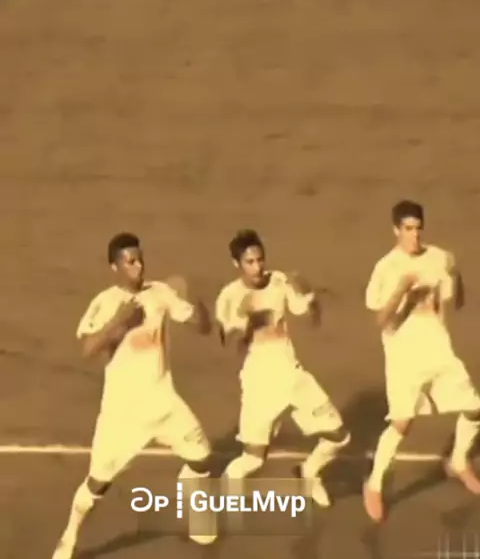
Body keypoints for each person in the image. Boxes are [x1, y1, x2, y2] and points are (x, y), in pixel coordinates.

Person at [52, 232, 216, 559]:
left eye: (139, 259)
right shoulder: (104, 303)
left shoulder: (160, 293)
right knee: (98, 483)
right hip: (122, 415)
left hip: (165, 403)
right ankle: (69, 537)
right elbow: (87, 349)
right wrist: (120, 323)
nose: (138, 266)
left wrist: (194, 301)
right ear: (114, 267)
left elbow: (203, 326)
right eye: (129, 262)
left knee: (201, 457)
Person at [215, 229, 350, 510]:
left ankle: (308, 472)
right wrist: (249, 320)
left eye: (260, 260)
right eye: (250, 262)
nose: (257, 267)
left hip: (293, 376)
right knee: (254, 459)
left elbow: (311, 320)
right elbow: (232, 346)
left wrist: (308, 295)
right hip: (259, 385)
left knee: (338, 436)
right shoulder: (230, 297)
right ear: (236, 264)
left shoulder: (279, 282)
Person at [363, 200, 480, 523]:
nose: (414, 235)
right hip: (404, 356)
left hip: (438, 348)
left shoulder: (438, 258)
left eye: (418, 229)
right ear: (396, 230)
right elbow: (381, 321)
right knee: (403, 423)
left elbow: (456, 301)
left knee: (474, 409)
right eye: (407, 229)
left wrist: (455, 274)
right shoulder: (386, 268)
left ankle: (458, 461)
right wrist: (403, 290)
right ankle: (374, 485)